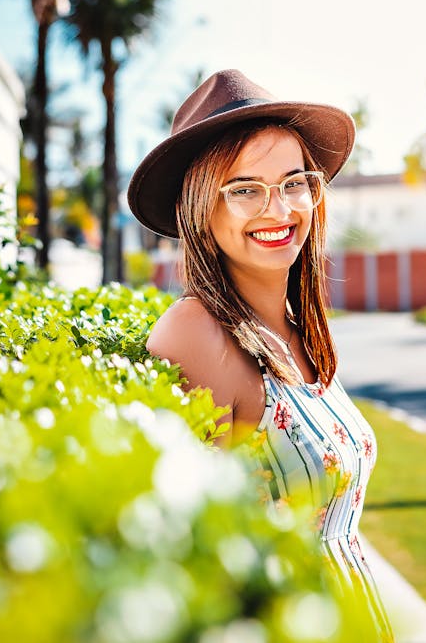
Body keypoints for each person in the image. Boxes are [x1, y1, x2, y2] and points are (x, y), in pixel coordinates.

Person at [127, 69, 394, 641]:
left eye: (294, 181)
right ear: (200, 207)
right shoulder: (195, 335)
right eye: (245, 188)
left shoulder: (299, 333)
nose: (279, 209)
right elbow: (192, 557)